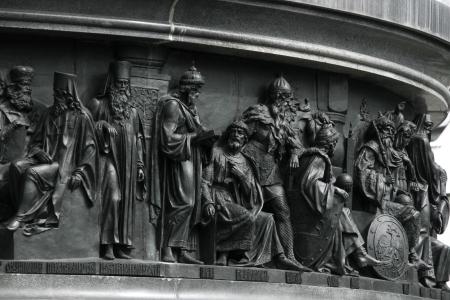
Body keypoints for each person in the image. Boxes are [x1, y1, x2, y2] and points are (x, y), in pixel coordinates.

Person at [201, 121, 310, 271]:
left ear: (245, 139)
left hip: (237, 201)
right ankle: (224, 255)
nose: (236, 136)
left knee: (268, 219)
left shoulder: (245, 161)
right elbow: (204, 181)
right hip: (218, 197)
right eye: (233, 132)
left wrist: (242, 177)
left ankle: (275, 258)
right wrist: (207, 202)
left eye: (240, 134)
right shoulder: (216, 152)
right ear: (228, 135)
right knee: (245, 215)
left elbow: (251, 193)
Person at [7, 72, 97, 235]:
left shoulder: (82, 117)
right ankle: (18, 209)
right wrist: (38, 151)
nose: (56, 98)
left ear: (69, 96)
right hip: (45, 159)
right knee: (16, 166)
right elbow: (35, 142)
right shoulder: (49, 113)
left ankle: (21, 217)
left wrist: (80, 172)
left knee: (32, 173)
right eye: (55, 93)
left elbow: (90, 148)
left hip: (63, 165)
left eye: (60, 95)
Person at [293, 124, 385, 275]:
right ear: (331, 144)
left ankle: (359, 254)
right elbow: (309, 184)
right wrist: (335, 189)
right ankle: (359, 254)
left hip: (307, 210)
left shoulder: (310, 157)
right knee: (341, 211)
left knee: (342, 212)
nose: (334, 148)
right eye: (335, 144)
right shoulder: (318, 159)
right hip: (308, 213)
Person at [151, 64, 214, 264]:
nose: (197, 95)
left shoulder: (189, 109)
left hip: (191, 159)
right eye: (195, 91)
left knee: (192, 203)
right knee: (181, 203)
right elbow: (167, 138)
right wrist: (196, 137)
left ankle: (181, 247)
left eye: (198, 91)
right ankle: (167, 248)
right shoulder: (173, 106)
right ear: (186, 89)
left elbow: (197, 130)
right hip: (178, 160)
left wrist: (206, 139)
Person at [241, 74, 305, 268]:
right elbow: (239, 132)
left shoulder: (284, 123)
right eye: (281, 98)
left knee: (283, 210)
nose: (285, 103)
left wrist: (294, 153)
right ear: (274, 97)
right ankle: (245, 252)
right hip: (249, 165)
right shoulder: (259, 112)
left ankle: (289, 256)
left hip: (271, 170)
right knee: (251, 209)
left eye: (287, 99)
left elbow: (297, 144)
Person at [354, 115, 431, 271]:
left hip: (388, 198)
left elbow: (396, 181)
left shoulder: (388, 152)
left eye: (391, 132)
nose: (389, 135)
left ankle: (410, 254)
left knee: (412, 211)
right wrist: (383, 180)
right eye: (387, 131)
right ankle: (411, 255)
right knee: (412, 214)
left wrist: (396, 188)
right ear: (380, 132)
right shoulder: (371, 148)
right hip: (376, 202)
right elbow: (361, 173)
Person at [87, 61, 146, 260]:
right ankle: (107, 244)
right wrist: (102, 124)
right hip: (106, 158)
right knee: (114, 198)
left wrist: (139, 164)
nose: (122, 88)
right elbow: (85, 130)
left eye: (125, 84)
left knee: (126, 202)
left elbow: (138, 139)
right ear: (111, 84)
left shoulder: (134, 112)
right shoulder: (99, 105)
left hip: (128, 161)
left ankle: (121, 244)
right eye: (119, 83)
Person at [407, 113, 450, 289]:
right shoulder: (420, 141)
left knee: (445, 248)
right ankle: (425, 277)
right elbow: (430, 170)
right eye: (426, 125)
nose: (427, 130)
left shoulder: (418, 140)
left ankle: (438, 280)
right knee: (422, 239)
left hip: (424, 201)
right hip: (414, 233)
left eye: (430, 126)